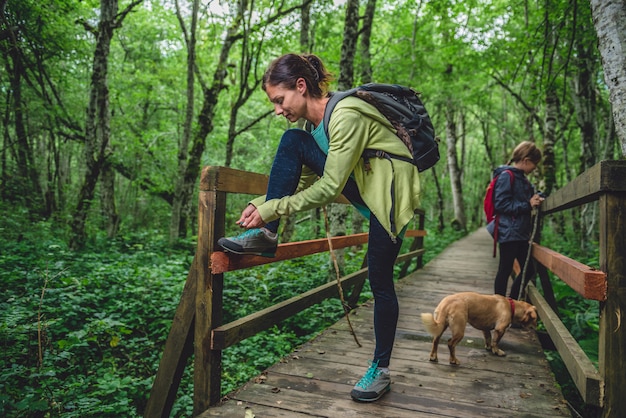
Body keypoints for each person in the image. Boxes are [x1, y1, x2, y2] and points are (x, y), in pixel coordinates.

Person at [217, 53, 422, 402]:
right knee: (292, 141)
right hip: (365, 188)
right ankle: (266, 235)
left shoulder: (345, 114)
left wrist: (270, 207)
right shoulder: (314, 129)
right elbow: (301, 181)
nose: (277, 110)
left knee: (380, 279)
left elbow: (329, 187)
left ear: (300, 86)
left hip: (389, 199)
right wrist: (264, 206)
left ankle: (381, 369)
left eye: (279, 100)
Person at [488, 141, 543, 300]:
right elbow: (501, 204)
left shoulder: (523, 179)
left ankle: (511, 304)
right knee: (505, 270)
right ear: (526, 160)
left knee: (529, 270)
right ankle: (498, 308)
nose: (535, 168)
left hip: (520, 233)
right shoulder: (507, 176)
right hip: (509, 232)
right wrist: (528, 204)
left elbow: (526, 197)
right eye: (534, 163)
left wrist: (538, 197)